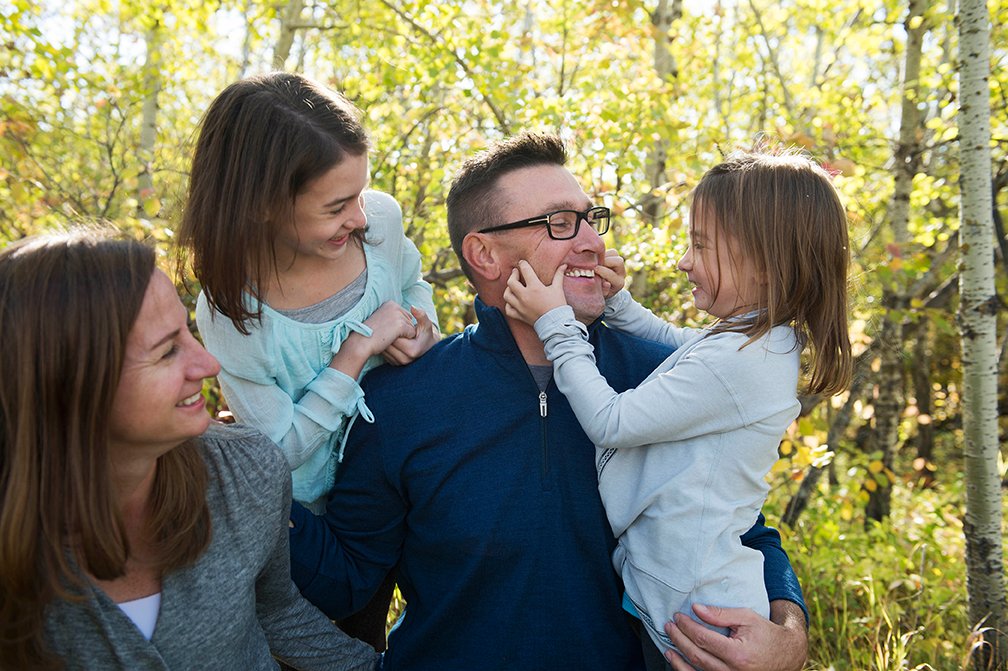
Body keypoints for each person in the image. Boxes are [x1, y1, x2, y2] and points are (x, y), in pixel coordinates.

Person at [288, 132, 811, 671]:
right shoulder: (402, 399)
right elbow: (346, 580)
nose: (591, 243)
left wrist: (788, 635)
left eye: (591, 220)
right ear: (484, 254)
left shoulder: (660, 373)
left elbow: (739, 525)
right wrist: (247, 475)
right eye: (560, 224)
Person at [502, 147, 851, 667]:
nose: (684, 261)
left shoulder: (744, 359)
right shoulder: (756, 342)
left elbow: (611, 421)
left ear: (764, 257)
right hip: (683, 595)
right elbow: (678, 346)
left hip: (696, 617)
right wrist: (617, 304)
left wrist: (557, 326)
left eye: (701, 246)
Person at [0, 228, 379, 671]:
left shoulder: (246, 474)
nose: (207, 365)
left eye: (188, 332)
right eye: (166, 352)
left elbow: (274, 609)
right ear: (68, 385)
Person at [179, 72, 439, 649]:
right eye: (337, 206)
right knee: (349, 637)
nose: (361, 218)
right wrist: (354, 352)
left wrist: (423, 329)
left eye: (361, 194)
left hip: (408, 473)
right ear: (264, 205)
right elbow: (278, 450)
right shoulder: (233, 311)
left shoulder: (380, 225)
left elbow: (413, 286)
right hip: (321, 526)